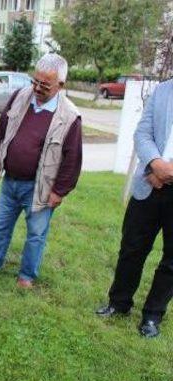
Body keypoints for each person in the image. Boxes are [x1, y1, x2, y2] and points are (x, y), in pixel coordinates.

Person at [0, 53, 83, 289]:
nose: (37, 88)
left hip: (40, 187)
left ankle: (26, 277)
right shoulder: (21, 96)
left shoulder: (69, 116)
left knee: (36, 234)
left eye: (45, 85)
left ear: (61, 85)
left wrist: (59, 191)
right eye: (35, 81)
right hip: (11, 181)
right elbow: (2, 126)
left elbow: (73, 159)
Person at [96, 78, 173, 338]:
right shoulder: (163, 90)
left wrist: (167, 172)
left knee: (171, 260)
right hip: (149, 183)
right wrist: (155, 163)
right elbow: (142, 132)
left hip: (163, 178)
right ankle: (119, 304)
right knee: (131, 248)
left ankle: (152, 316)